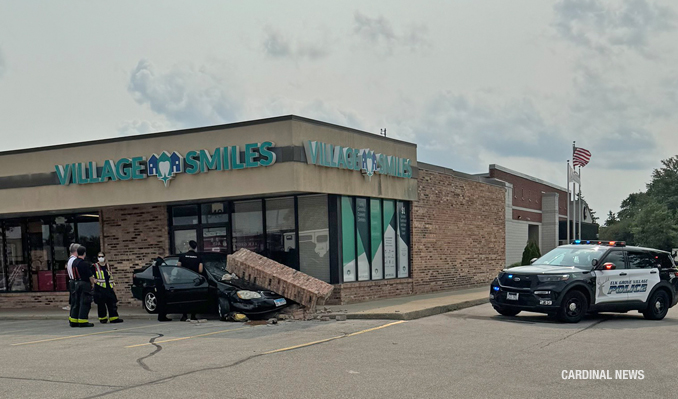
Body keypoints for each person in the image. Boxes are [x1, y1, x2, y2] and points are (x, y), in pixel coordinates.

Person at [93, 252, 123, 324]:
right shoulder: (94, 266)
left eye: (102, 256)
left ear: (105, 257)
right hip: (99, 287)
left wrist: (113, 286)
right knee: (101, 304)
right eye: (99, 256)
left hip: (108, 287)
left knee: (112, 303)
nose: (101, 258)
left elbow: (110, 276)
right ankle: (103, 318)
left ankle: (114, 318)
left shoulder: (108, 266)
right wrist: (94, 281)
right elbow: (91, 275)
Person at [69, 246, 95, 327]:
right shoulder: (84, 263)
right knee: (85, 302)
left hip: (76, 283)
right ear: (84, 253)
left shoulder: (74, 262)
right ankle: (83, 321)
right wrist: (93, 284)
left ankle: (73, 320)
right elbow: (90, 276)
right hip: (84, 284)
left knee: (76, 302)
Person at [177, 240, 204, 321]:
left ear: (188, 246)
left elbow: (178, 267)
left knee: (184, 298)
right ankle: (193, 315)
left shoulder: (182, 256)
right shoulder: (198, 257)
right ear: (195, 247)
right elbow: (200, 270)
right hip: (194, 280)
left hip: (184, 280)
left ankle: (184, 315)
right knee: (194, 297)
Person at [152, 257, 172, 322]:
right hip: (161, 282)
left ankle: (161, 316)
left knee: (159, 300)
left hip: (156, 281)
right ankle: (162, 316)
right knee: (163, 300)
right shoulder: (160, 262)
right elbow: (163, 271)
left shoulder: (155, 261)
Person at [64, 243, 79, 313]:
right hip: (75, 281)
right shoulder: (74, 260)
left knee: (74, 301)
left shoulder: (70, 260)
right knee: (76, 302)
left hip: (72, 281)